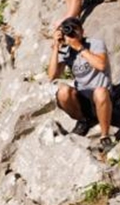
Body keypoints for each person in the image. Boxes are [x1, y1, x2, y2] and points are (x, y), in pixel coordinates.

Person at [48, 16, 113, 151]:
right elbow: (52, 76)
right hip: (82, 96)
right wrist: (56, 47)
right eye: (68, 31)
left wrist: (80, 48)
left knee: (100, 92)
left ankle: (105, 135)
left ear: (82, 31)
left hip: (101, 95)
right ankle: (83, 121)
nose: (72, 34)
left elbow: (101, 65)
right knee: (63, 92)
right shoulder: (66, 51)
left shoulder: (95, 43)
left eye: (75, 30)